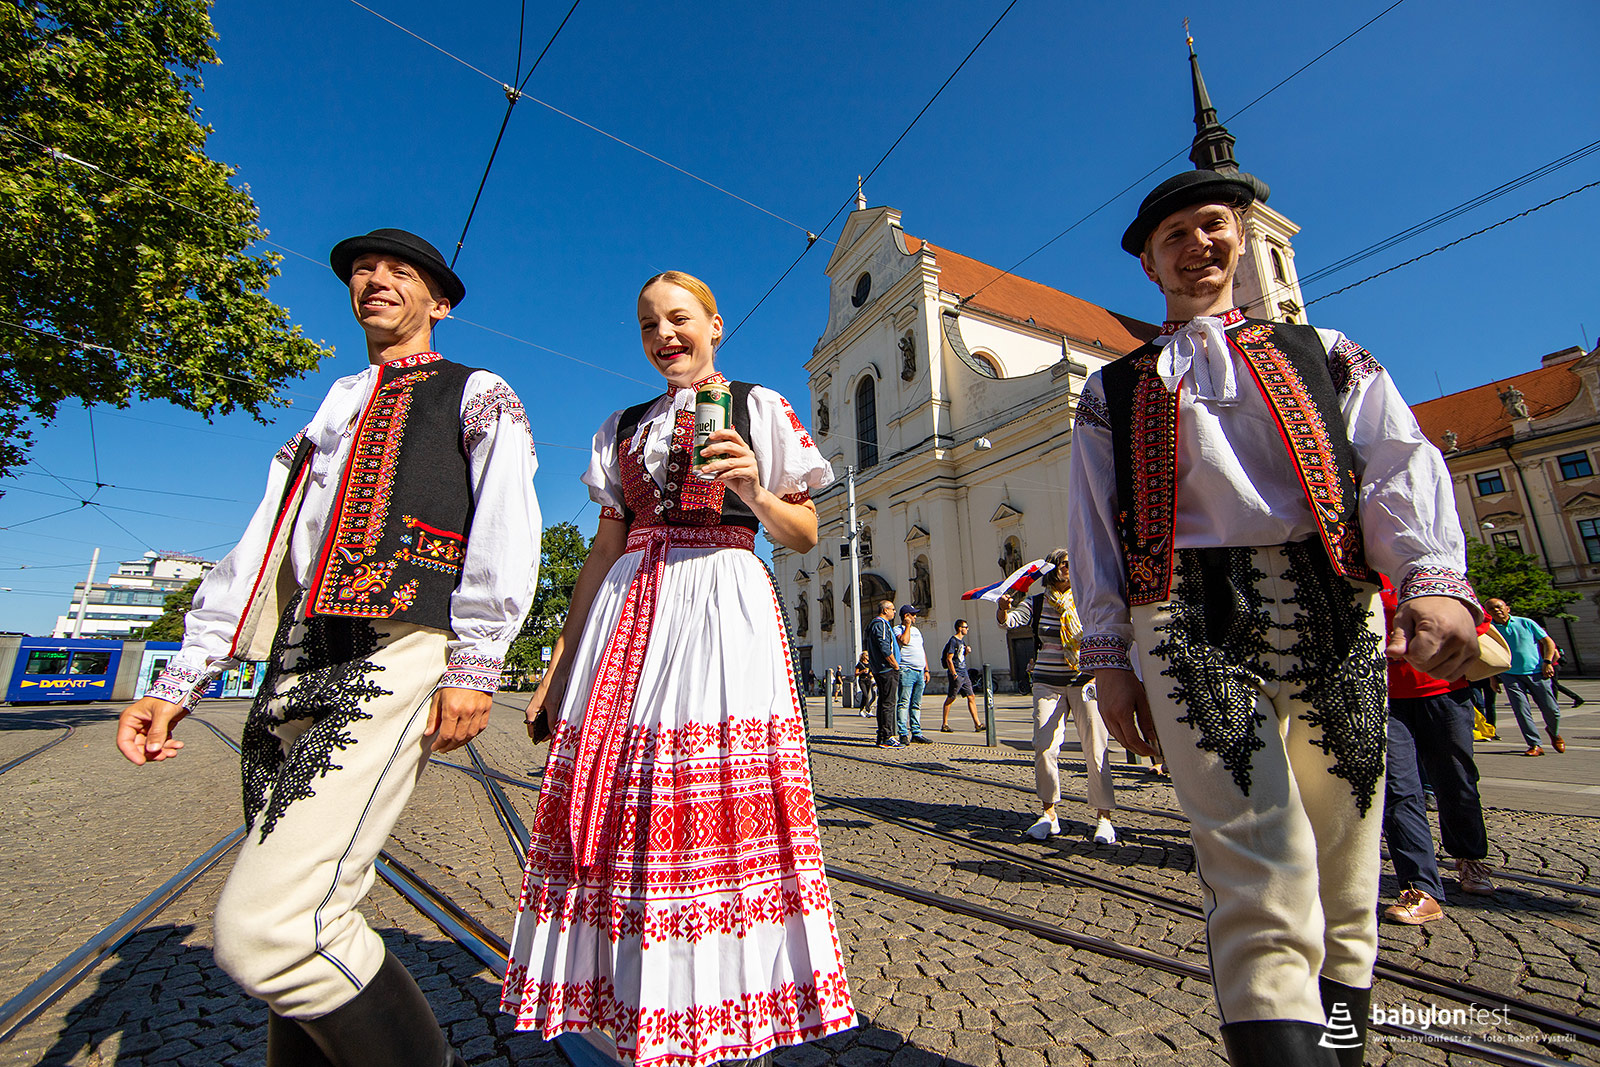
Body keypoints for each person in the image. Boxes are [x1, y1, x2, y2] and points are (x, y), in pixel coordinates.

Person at [1069, 171, 1480, 1066]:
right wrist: (1108, 655)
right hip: (1184, 617)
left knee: (1345, 863)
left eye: (1213, 224)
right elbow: (1094, 527)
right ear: (1149, 265)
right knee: (1255, 864)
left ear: (1241, 237)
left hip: (1332, 600)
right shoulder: (1111, 390)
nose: (1197, 244)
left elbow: (1397, 460)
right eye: (1174, 235)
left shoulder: (1328, 351)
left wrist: (1429, 575)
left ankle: (1341, 1045)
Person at [114, 228, 541, 1065]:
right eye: (361, 271)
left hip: (396, 645)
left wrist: (477, 657)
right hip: (296, 658)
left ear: (439, 302)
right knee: (313, 905)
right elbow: (262, 544)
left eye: (399, 270)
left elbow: (506, 522)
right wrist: (182, 675)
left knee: (271, 931)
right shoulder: (328, 413)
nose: (374, 279)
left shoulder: (477, 391)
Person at [501, 271, 855, 1066]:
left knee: (708, 806)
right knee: (627, 803)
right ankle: (630, 1001)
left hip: (721, 604)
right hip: (629, 611)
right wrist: (559, 664)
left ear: (715, 325)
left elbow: (803, 532)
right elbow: (603, 549)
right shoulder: (622, 428)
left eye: (679, 318)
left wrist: (753, 488)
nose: (664, 334)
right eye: (648, 324)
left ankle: (722, 1006)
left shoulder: (760, 407)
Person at [1379, 583, 1497, 926]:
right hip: (1382, 697)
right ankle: (1419, 887)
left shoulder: (1425, 568)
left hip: (1444, 691)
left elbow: (1475, 620)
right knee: (1398, 789)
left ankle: (1469, 858)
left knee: (1456, 781)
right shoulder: (1351, 572)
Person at [997, 549, 1116, 844]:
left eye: (1071, 564)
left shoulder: (1086, 600)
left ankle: (1104, 817)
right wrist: (1003, 609)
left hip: (1084, 681)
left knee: (1096, 747)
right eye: (1063, 564)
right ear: (1051, 569)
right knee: (1044, 745)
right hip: (1047, 683)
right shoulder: (1037, 603)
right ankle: (1049, 814)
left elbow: (1102, 629)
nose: (1068, 568)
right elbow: (1009, 621)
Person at [1486, 597, 1565, 755]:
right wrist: (1492, 678)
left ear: (1507, 608)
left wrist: (1547, 662)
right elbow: (1489, 655)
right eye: (1491, 609)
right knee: (1521, 710)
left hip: (1537, 672)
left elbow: (1548, 642)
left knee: (1552, 709)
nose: (1496, 610)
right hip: (1510, 675)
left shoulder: (1526, 622)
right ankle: (1534, 744)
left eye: (1499, 607)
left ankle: (1554, 732)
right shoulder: (1490, 630)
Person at [894, 604, 932, 743]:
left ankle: (916, 732)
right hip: (907, 670)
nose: (916, 617)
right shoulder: (897, 629)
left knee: (916, 703)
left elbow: (921, 650)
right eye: (913, 614)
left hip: (920, 671)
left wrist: (926, 669)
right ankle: (903, 733)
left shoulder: (917, 631)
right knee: (904, 702)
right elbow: (904, 641)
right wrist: (907, 626)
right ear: (906, 616)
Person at [867, 599, 902, 746]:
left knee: (884, 702)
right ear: (885, 610)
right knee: (888, 703)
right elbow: (884, 646)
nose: (894, 612)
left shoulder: (879, 624)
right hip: (886, 669)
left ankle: (882, 735)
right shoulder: (880, 624)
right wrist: (894, 664)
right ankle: (887, 736)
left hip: (882, 668)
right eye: (892, 609)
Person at [941, 619, 983, 731]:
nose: (967, 629)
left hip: (964, 672)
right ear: (960, 628)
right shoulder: (953, 641)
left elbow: (960, 657)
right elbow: (949, 659)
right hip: (957, 673)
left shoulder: (962, 641)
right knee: (951, 697)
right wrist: (954, 674)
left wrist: (966, 653)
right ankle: (944, 724)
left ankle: (977, 724)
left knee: (971, 696)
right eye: (966, 627)